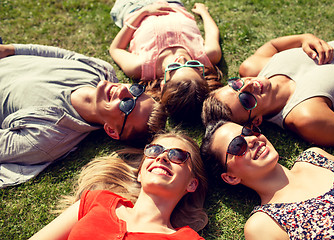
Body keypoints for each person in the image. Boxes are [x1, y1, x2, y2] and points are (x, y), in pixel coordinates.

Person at [0, 43, 167, 188]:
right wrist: (9, 50)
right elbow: (58, 55)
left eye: (126, 105)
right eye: (135, 91)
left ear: (111, 130)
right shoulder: (101, 70)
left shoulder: (45, 138)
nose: (123, 90)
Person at [29, 131, 208, 240]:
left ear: (191, 184)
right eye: (154, 151)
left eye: (177, 155)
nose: (161, 157)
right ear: (140, 173)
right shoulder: (97, 200)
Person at [201, 120, 334, 239]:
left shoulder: (315, 156)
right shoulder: (263, 225)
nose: (252, 140)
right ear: (231, 177)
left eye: (248, 131)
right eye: (237, 146)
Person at [202, 33, 334, 148]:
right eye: (245, 99)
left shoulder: (253, 66)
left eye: (236, 84)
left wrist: (305, 38)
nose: (248, 85)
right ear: (256, 120)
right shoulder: (306, 117)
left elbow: (273, 46)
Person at [109, 0, 222, 123]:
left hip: (133, 7)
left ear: (163, 84)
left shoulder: (140, 67)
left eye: (174, 67)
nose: (182, 59)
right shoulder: (208, 54)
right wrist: (203, 12)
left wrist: (143, 12)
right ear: (202, 73)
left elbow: (116, 49)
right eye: (192, 65)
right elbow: (212, 32)